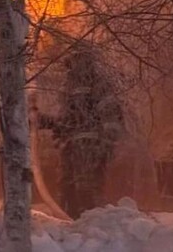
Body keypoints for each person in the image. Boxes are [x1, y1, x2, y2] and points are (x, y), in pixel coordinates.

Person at [38, 46, 124, 218]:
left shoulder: (98, 84)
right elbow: (67, 122)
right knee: (67, 190)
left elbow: (110, 113)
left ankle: (92, 230)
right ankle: (71, 230)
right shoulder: (69, 87)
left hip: (89, 148)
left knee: (86, 190)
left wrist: (105, 145)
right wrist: (43, 121)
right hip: (71, 148)